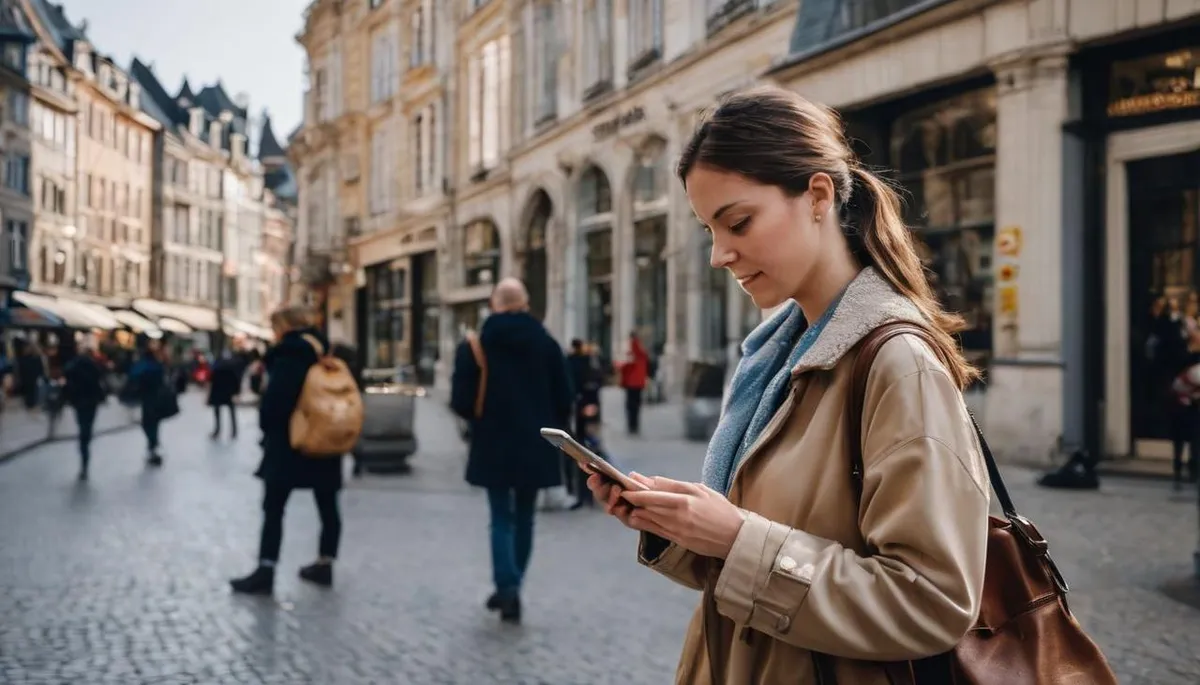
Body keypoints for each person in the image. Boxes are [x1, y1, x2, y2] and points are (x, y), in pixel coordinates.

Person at [586, 86, 991, 684]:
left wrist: (736, 535)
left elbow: (931, 601)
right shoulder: (772, 359)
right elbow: (760, 560)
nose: (719, 255)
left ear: (818, 195)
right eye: (708, 230)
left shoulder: (896, 361)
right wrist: (677, 526)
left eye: (738, 222)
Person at [450, 278, 573, 623]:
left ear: (494, 304)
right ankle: (514, 583)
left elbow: (460, 400)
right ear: (525, 304)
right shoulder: (546, 344)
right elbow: (566, 396)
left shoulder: (478, 344)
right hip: (536, 442)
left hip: (492, 441)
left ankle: (508, 586)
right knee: (525, 516)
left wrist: (478, 420)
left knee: (500, 516)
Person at [230, 305, 344, 595]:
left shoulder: (290, 353)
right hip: (325, 436)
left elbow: (277, 403)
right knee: (327, 503)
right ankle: (325, 562)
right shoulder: (326, 350)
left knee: (274, 506)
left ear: (282, 327)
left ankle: (266, 568)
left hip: (291, 442)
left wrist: (267, 424)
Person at [61, 344, 108, 481]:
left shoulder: (73, 366)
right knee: (87, 426)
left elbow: (67, 380)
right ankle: (85, 441)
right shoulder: (94, 367)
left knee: (82, 424)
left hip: (79, 402)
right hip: (91, 402)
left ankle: (84, 447)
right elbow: (99, 381)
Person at [127, 341, 168, 467]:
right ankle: (153, 445)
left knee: (147, 423)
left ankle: (152, 444)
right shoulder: (157, 366)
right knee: (154, 423)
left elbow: (133, 377)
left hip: (147, 399)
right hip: (156, 399)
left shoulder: (142, 366)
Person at [615, 331, 649, 434]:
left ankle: (632, 425)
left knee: (630, 406)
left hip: (632, 383)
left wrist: (618, 365)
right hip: (639, 383)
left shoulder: (633, 350)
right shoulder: (642, 352)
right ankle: (635, 425)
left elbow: (626, 365)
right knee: (636, 405)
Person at [207, 350, 241, 439]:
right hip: (228, 392)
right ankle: (234, 431)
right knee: (232, 412)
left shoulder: (217, 365)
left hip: (218, 392)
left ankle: (218, 430)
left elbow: (212, 380)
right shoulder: (233, 365)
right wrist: (237, 392)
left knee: (218, 412)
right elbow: (236, 380)